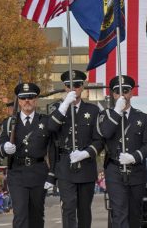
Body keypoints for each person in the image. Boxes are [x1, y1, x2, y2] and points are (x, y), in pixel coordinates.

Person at [96, 75, 147, 228]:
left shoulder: (142, 117)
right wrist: (117, 110)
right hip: (115, 170)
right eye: (117, 91)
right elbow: (106, 133)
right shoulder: (106, 115)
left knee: (135, 213)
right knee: (119, 212)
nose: (122, 95)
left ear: (132, 93)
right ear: (113, 94)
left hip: (136, 170)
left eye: (126, 90)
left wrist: (134, 157)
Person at [47, 70, 103, 228]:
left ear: (82, 87)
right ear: (65, 87)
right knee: (68, 207)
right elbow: (51, 128)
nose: (73, 88)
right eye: (69, 85)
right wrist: (64, 105)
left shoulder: (92, 110)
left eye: (77, 85)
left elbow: (99, 140)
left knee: (84, 210)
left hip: (86, 166)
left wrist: (86, 153)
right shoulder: (56, 108)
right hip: (65, 165)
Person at [0, 82, 55, 228]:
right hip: (17, 173)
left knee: (36, 215)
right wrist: (5, 147)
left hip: (38, 172)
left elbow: (53, 150)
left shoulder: (45, 121)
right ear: (19, 101)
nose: (27, 101)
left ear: (36, 99)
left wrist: (52, 174)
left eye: (30, 97)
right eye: (23, 98)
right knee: (20, 214)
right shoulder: (9, 123)